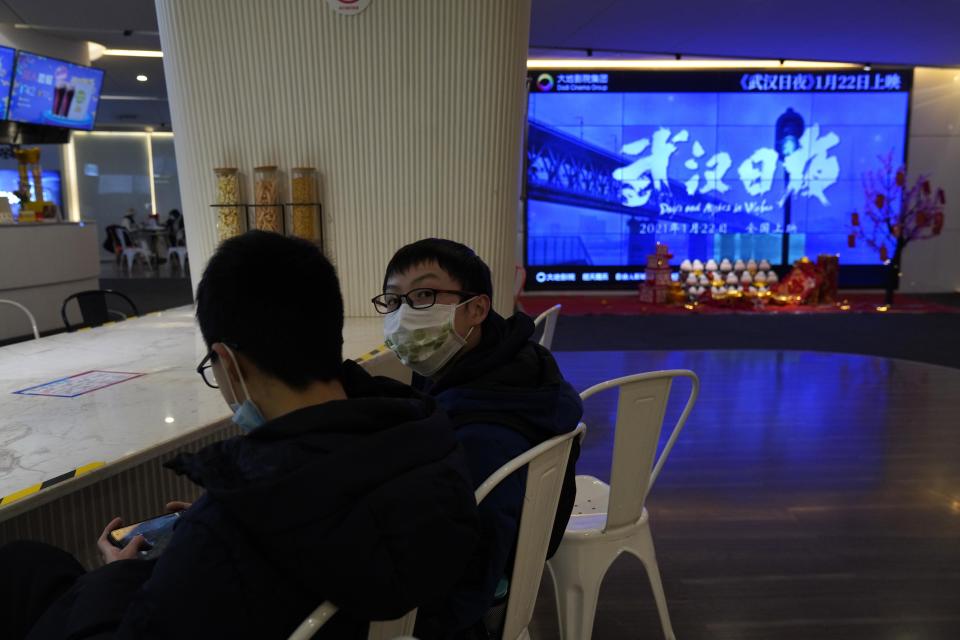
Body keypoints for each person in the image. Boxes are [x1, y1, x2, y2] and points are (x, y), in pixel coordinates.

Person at [0, 231, 480, 640]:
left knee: (22, 570)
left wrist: (119, 573)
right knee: (32, 565)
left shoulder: (234, 521)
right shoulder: (421, 435)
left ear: (227, 361)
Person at [373, 238, 583, 639]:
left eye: (424, 296)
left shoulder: (483, 435)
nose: (403, 316)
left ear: (477, 308)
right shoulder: (516, 365)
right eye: (394, 301)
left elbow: (463, 583)